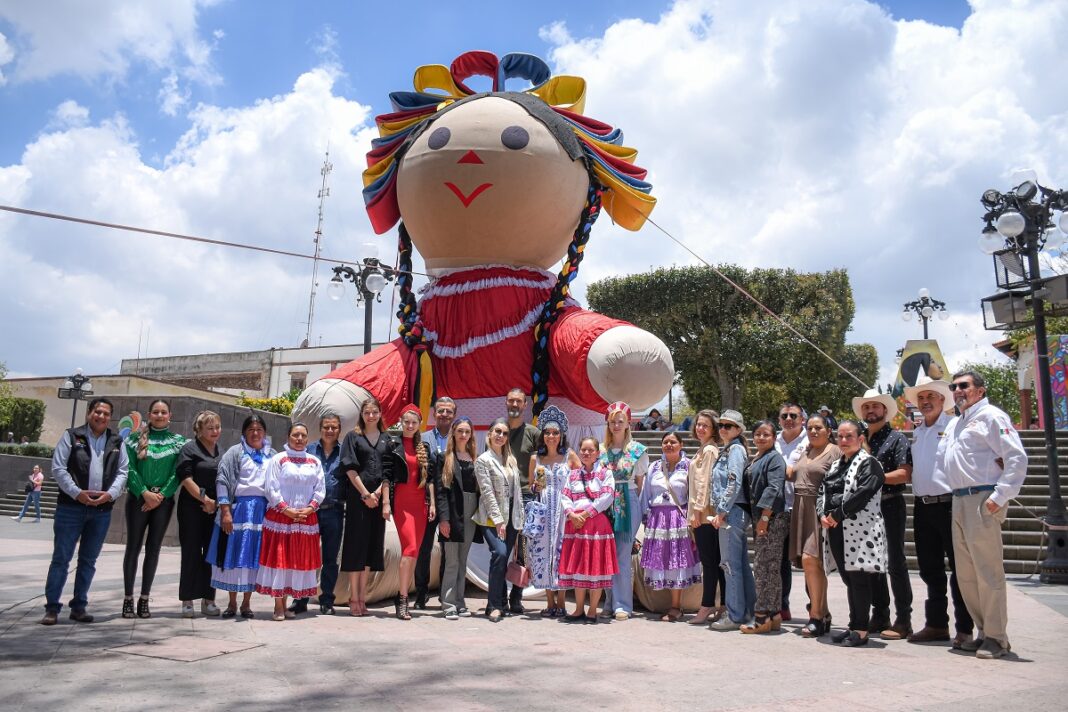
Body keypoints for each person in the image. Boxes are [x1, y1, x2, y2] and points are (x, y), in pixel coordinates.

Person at [941, 370, 1027, 660]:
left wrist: (999, 496)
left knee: (988, 571)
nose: (957, 390)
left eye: (964, 385)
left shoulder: (992, 416)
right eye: (954, 386)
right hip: (959, 499)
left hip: (982, 498)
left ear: (979, 389)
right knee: (966, 574)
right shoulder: (956, 422)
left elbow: (1016, 456)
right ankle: (982, 631)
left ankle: (996, 637)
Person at [41, 398, 129, 625]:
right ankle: (52, 608)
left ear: (110, 417)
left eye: (106, 413)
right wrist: (76, 492)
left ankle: (79, 606)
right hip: (71, 508)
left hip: (101, 510)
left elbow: (123, 472)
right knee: (61, 559)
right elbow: (58, 468)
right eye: (97, 412)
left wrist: (110, 494)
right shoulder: (71, 436)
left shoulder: (117, 441)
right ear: (89, 413)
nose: (101, 416)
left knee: (88, 560)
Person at [905, 376, 974, 648]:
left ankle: (965, 628)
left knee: (959, 569)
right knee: (930, 568)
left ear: (942, 400)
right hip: (923, 506)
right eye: (921, 398)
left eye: (930, 397)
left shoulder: (955, 426)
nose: (925, 402)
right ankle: (936, 624)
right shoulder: (919, 431)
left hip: (948, 504)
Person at [819, 420, 887, 648]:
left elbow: (864, 492)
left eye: (849, 436)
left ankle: (861, 630)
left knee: (859, 579)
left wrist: (839, 513)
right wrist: (823, 513)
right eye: (840, 436)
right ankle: (853, 625)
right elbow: (823, 490)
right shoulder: (836, 464)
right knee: (849, 579)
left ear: (860, 439)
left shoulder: (870, 463)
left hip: (861, 531)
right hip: (836, 529)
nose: (844, 440)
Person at [853, 388, 913, 639]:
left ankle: (903, 619)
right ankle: (880, 614)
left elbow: (904, 473)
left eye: (875, 406)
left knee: (896, 562)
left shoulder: (897, 438)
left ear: (885, 411)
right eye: (866, 407)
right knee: (870, 563)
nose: (870, 410)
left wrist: (875, 479)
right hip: (866, 507)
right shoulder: (860, 438)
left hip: (890, 503)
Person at [207, 414, 275, 619]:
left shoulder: (271, 455)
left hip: (262, 512)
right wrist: (225, 511)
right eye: (251, 430)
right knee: (234, 555)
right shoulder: (234, 453)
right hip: (239, 510)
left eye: (259, 430)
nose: (255, 433)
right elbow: (222, 480)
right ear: (244, 432)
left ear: (264, 432)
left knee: (253, 558)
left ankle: (247, 603)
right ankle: (231, 602)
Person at [122, 399, 185, 619]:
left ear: (170, 415)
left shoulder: (178, 442)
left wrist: (161, 495)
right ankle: (128, 598)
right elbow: (129, 469)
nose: (159, 415)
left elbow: (179, 473)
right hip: (138, 499)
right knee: (133, 547)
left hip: (163, 502)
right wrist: (144, 493)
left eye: (163, 412)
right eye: (156, 412)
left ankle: (144, 598)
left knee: (153, 549)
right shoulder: (132, 440)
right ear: (149, 415)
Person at [256, 422, 326, 621]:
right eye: (295, 435)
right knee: (280, 561)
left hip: (305, 518)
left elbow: (320, 488)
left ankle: (286, 603)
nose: (299, 439)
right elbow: (270, 488)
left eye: (303, 435)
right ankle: (278, 605)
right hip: (281, 518)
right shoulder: (278, 459)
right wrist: (286, 510)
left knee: (294, 561)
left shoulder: (314, 461)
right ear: (288, 437)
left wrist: (310, 507)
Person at [789, 414, 842, 638]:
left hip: (819, 509)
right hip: (800, 507)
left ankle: (816, 616)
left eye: (818, 427)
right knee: (812, 564)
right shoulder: (805, 450)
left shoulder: (835, 451)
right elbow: (792, 473)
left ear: (828, 430)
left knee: (812, 560)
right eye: (810, 428)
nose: (813, 431)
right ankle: (824, 612)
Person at [639, 430, 700, 621]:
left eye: (673, 442)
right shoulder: (654, 466)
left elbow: (694, 494)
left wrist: (693, 519)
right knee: (661, 560)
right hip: (657, 519)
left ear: (681, 445)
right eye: (665, 442)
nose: (669, 445)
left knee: (676, 560)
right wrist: (644, 519)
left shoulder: (689, 466)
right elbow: (646, 494)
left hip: (678, 519)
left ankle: (676, 606)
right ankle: (665, 603)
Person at [340, 397, 392, 617]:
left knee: (371, 548)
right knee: (355, 548)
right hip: (358, 500)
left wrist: (379, 494)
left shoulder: (387, 439)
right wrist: (365, 494)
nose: (371, 416)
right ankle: (354, 597)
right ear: (362, 414)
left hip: (378, 501)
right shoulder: (353, 437)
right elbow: (350, 469)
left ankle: (363, 597)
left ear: (380, 414)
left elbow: (389, 471)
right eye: (367, 412)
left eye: (375, 412)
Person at [598, 401, 649, 621]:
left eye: (621, 421)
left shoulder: (637, 451)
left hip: (627, 500)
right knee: (605, 552)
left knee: (621, 553)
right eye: (613, 422)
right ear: (608, 425)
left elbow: (639, 483)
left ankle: (622, 604)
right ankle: (608, 600)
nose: (616, 425)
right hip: (605, 501)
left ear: (628, 424)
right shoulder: (602, 451)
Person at [290, 412, 345, 615]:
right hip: (310, 512)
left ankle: (327, 600)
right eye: (326, 427)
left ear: (339, 429)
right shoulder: (309, 450)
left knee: (330, 558)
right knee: (305, 557)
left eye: (334, 427)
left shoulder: (345, 452)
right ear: (320, 429)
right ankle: (301, 599)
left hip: (335, 511)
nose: (330, 431)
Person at [559, 436, 618, 623]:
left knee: (596, 568)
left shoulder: (605, 474)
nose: (586, 453)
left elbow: (607, 497)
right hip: (575, 525)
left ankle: (592, 610)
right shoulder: (573, 474)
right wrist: (571, 514)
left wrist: (585, 514)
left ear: (597, 454)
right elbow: (565, 495)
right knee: (579, 567)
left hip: (596, 526)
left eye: (590, 450)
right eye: (583, 450)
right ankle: (578, 609)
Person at [474, 417, 525, 622]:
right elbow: (486, 493)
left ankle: (502, 601)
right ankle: (493, 605)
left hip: (512, 515)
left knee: (503, 559)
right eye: (497, 431)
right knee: (500, 553)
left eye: (504, 433)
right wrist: (498, 519)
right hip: (491, 517)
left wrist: (519, 520)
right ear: (489, 435)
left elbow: (517, 492)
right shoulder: (483, 460)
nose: (501, 436)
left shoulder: (510, 459)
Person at [741, 420, 789, 634]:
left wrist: (765, 517)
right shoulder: (758, 458)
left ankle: (761, 616)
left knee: (763, 568)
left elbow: (774, 488)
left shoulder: (775, 458)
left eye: (766, 434)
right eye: (758, 434)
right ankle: (774, 615)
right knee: (769, 568)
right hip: (761, 517)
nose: (761, 438)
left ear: (774, 437)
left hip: (772, 518)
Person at [527, 405, 575, 617]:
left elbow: (579, 481)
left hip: (563, 511)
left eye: (555, 432)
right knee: (543, 553)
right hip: (544, 510)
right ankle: (549, 602)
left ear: (561, 434)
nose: (551, 436)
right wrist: (536, 486)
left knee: (561, 553)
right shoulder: (535, 458)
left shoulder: (570, 457)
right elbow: (530, 485)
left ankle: (562, 602)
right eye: (547, 432)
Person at [709, 409, 754, 631]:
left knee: (730, 565)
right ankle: (746, 611)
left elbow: (733, 482)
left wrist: (721, 510)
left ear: (738, 429)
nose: (723, 429)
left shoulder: (735, 449)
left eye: (728, 426)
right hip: (734, 511)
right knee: (740, 565)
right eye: (721, 425)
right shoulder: (731, 448)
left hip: (732, 512)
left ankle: (735, 614)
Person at [435, 416, 482, 620]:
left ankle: (460, 601)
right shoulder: (445, 458)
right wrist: (443, 519)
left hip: (471, 512)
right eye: (460, 431)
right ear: (453, 432)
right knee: (452, 560)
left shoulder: (474, 458)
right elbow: (441, 492)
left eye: (467, 431)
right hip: (453, 512)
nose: (464, 435)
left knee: (463, 560)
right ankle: (448, 603)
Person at [175, 410, 221, 618]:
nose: (214, 431)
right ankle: (187, 599)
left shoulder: (221, 452)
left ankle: (208, 599)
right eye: (210, 427)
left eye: (217, 427)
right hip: (192, 507)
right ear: (199, 429)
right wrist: (205, 500)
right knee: (191, 552)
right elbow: (185, 478)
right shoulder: (189, 449)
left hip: (214, 509)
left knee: (210, 554)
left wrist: (215, 504)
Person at [392, 404, 435, 620]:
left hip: (421, 505)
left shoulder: (424, 447)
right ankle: (401, 600)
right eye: (406, 421)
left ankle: (404, 597)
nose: (409, 425)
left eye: (414, 422)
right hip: (402, 503)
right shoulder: (393, 444)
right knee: (408, 550)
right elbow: (387, 475)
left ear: (419, 425)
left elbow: (430, 479)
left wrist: (433, 504)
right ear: (401, 421)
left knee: (415, 554)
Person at [687, 409, 727, 625]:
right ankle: (722, 605)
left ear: (713, 429)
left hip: (704, 516)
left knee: (709, 563)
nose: (700, 428)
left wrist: (698, 510)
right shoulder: (704, 448)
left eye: (705, 425)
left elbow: (705, 482)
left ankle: (707, 604)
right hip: (704, 514)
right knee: (714, 562)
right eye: (699, 424)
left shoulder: (710, 449)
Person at [416, 396, 455, 609]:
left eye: (449, 411)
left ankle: (444, 594)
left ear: (454, 415)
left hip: (449, 503)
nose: (444, 415)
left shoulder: (458, 438)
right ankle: (420, 593)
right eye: (441, 411)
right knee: (424, 548)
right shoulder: (422, 439)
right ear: (435, 414)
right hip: (427, 501)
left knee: (448, 549)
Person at [505, 388, 540, 614]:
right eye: (511, 400)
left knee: (521, 550)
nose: (514, 404)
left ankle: (515, 597)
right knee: (500, 548)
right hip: (502, 494)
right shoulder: (499, 430)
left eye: (519, 401)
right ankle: (498, 595)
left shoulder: (534, 433)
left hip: (526, 495)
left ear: (525, 405)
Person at [775, 402, 808, 621]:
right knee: (780, 561)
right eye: (784, 415)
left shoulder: (810, 440)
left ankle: (815, 607)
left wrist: (789, 472)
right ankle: (782, 604)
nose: (788, 419)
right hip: (778, 508)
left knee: (809, 560)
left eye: (793, 415)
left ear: (802, 419)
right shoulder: (773, 439)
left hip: (803, 508)